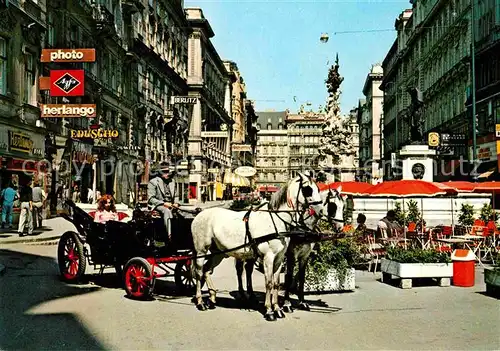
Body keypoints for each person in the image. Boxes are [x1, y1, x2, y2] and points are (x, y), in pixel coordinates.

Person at [147, 162, 180, 242]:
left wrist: (176, 203)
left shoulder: (172, 182)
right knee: (166, 211)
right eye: (165, 172)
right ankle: (170, 234)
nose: (167, 174)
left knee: (186, 212)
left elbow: (176, 195)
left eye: (168, 171)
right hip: (159, 205)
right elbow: (151, 199)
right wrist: (163, 203)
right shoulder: (153, 182)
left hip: (171, 204)